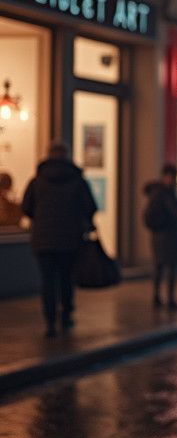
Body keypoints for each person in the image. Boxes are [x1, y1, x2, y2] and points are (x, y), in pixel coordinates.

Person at [20, 143, 97, 337]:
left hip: (43, 239)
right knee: (66, 278)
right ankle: (66, 314)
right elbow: (90, 207)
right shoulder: (77, 181)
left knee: (48, 281)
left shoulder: (37, 181)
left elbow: (26, 207)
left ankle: (50, 321)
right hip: (70, 239)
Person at [143, 164, 177, 310]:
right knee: (169, 268)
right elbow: (176, 213)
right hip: (168, 235)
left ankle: (158, 297)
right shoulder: (165, 193)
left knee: (160, 267)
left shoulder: (159, 192)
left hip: (160, 236)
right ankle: (168, 299)